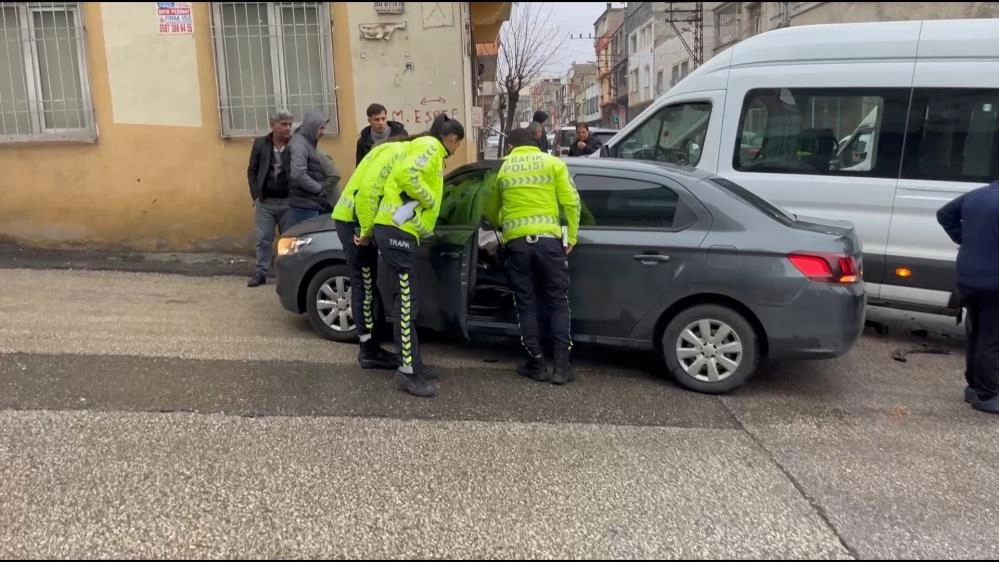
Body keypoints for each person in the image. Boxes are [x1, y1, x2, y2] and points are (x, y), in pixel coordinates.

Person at [372, 115, 465, 397]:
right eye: (458, 143)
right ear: (451, 138)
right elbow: (407, 176)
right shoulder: (430, 147)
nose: (457, 148)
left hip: (399, 231)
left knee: (408, 302)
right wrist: (429, 199)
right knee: (407, 304)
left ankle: (415, 364)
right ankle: (407, 373)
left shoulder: (427, 147)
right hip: (396, 231)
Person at [487, 127, 581, 384]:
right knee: (558, 303)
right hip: (550, 244)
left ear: (510, 148)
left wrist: (503, 226)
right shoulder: (553, 163)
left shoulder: (504, 168)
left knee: (526, 303)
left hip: (518, 244)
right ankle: (561, 367)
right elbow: (571, 202)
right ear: (537, 143)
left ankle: (536, 364)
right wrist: (571, 236)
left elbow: (491, 209)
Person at [330, 133, 411, 370]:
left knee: (365, 285)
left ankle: (370, 346)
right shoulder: (396, 153)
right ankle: (369, 351)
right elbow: (367, 194)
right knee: (364, 286)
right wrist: (365, 232)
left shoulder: (379, 153)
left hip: (349, 219)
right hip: (353, 222)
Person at [937, 181, 999, 414]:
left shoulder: (978, 195)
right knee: (991, 340)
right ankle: (987, 395)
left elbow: (944, 214)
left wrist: (964, 239)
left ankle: (974, 387)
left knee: (978, 333)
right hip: (995, 282)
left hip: (968, 278)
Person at [246, 110, 295, 287]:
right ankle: (261, 272)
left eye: (290, 124)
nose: (288, 128)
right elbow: (252, 170)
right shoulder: (261, 144)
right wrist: (256, 195)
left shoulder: (295, 144)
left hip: (288, 201)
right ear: (272, 125)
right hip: (265, 201)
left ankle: (290, 273)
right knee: (263, 239)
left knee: (290, 240)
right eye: (283, 124)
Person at [289, 110, 340, 225]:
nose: (323, 132)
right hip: (304, 204)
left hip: (308, 203)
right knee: (307, 239)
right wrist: (319, 189)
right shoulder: (300, 144)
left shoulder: (306, 143)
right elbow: (298, 173)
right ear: (312, 126)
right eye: (321, 128)